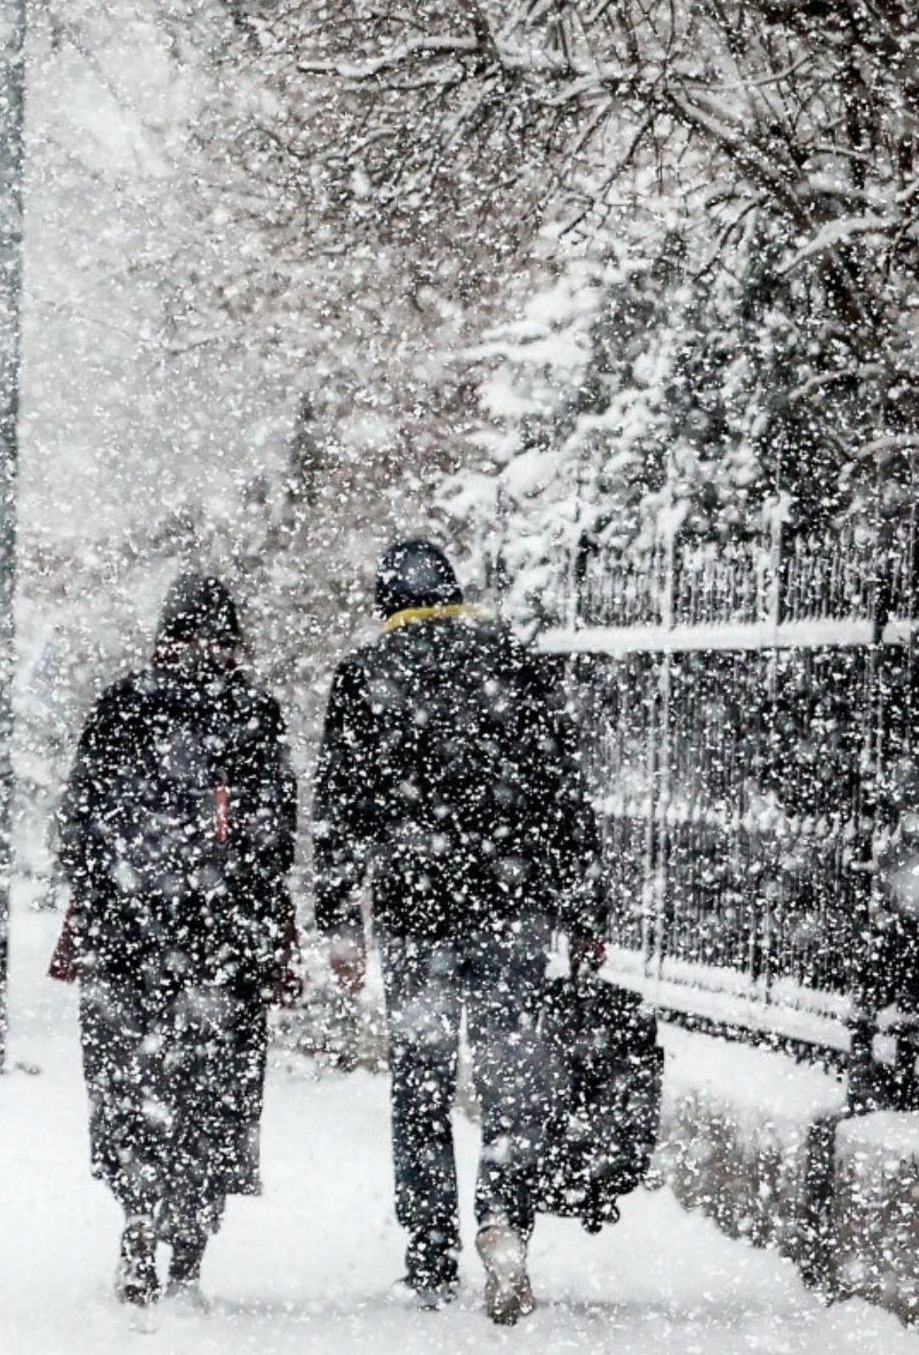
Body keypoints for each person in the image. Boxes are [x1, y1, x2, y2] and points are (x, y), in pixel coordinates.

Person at [313, 539, 607, 1325]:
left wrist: (342, 922)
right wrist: (585, 910)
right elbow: (561, 793)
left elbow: (342, 809)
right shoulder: (513, 662)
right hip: (512, 911)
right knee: (512, 1079)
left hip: (418, 915)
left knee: (421, 1083)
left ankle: (430, 1247)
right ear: (455, 591)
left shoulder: (366, 675)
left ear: (388, 602)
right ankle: (504, 1219)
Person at [53, 573, 300, 1307]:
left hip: (124, 940)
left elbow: (79, 828)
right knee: (212, 1086)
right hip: (222, 945)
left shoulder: (120, 706)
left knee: (130, 1082)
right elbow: (275, 837)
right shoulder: (254, 713)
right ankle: (190, 1244)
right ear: (231, 638)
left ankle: (136, 1219)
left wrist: (112, 895)